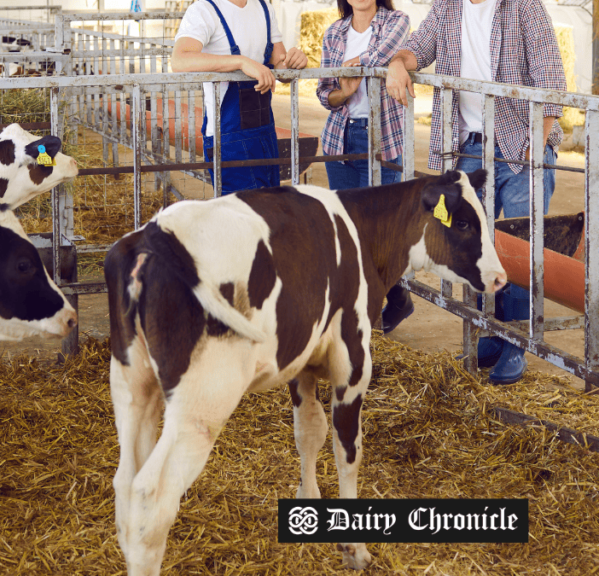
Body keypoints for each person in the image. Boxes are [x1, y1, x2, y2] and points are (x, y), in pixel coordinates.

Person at [385, 0, 566, 384]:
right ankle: (494, 330)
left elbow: (551, 77)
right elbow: (419, 47)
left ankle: (516, 342)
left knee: (520, 242)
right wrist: (398, 63)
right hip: (469, 147)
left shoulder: (524, 7)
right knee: (474, 241)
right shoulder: (447, 7)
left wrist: (538, 143)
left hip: (521, 144)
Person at [318, 0, 411, 335]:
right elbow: (323, 92)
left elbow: (384, 55)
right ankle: (383, 304)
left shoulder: (396, 21)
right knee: (346, 228)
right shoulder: (334, 32)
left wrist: (353, 70)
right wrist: (343, 92)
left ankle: (386, 301)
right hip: (339, 139)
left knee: (381, 229)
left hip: (383, 138)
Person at [171, 0, 308, 195]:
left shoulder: (264, 8)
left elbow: (280, 65)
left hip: (264, 132)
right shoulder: (204, 10)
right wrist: (241, 62)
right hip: (228, 138)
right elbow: (179, 60)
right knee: (242, 215)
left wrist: (295, 60)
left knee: (270, 210)